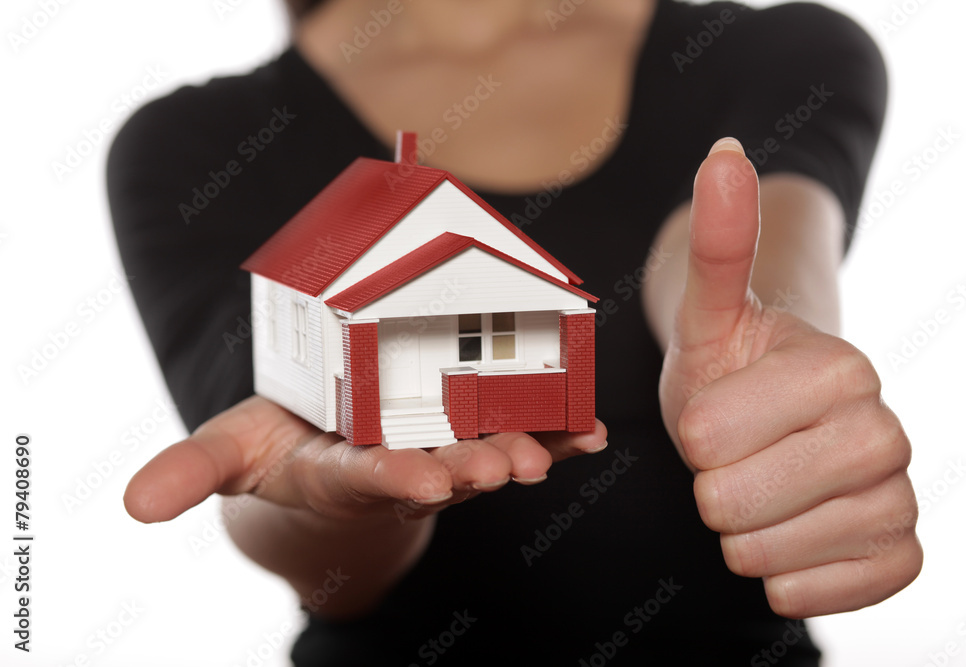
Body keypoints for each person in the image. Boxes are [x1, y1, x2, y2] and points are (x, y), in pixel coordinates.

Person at [107, 0, 922, 664]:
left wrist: (769, 372)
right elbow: (266, 472)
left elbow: (759, 237)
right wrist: (341, 494)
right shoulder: (193, 144)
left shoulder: (776, 49)